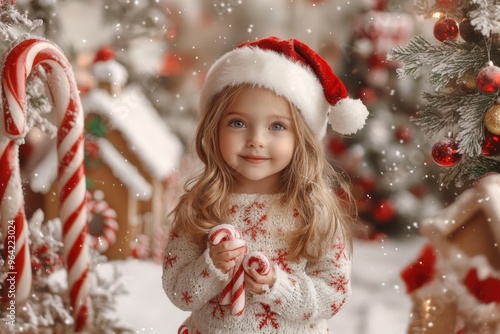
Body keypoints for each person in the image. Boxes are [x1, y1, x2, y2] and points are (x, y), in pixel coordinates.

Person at [162, 36, 368, 333]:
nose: (256, 139)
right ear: (213, 127)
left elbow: (333, 294)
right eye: (237, 123)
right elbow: (179, 292)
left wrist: (277, 285)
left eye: (276, 126)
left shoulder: (313, 211)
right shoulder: (201, 206)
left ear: (302, 138)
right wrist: (212, 267)